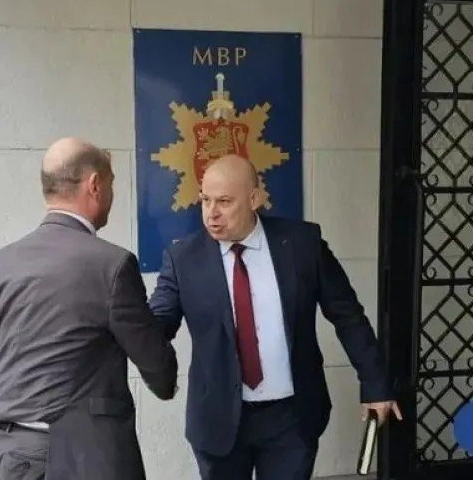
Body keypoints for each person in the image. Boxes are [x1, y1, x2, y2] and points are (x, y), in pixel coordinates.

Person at [149, 154, 401, 480]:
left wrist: (376, 384)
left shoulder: (301, 244)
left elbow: (348, 315)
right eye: (205, 200)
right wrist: (120, 323)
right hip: (218, 419)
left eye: (224, 201)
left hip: (291, 419)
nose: (211, 213)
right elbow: (158, 322)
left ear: (254, 198)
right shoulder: (183, 258)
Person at [0, 138, 177, 480]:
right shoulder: (111, 265)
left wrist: (15, 412)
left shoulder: (3, 261)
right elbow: (156, 366)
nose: (112, 195)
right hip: (69, 458)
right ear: (94, 185)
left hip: (1, 448)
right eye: (111, 183)